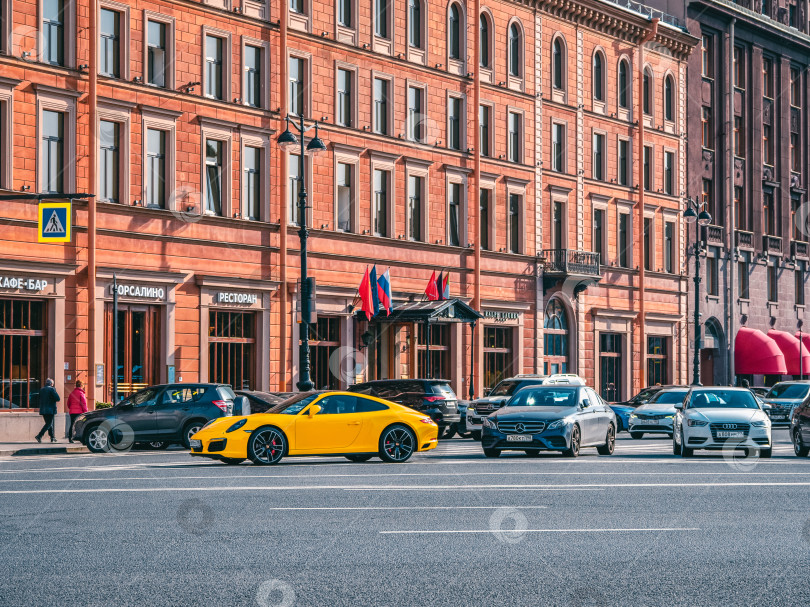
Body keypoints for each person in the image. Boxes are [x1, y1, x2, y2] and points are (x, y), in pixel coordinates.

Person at [35, 379, 60, 443]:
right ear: (51, 384)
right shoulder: (52, 389)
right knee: (48, 424)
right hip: (50, 409)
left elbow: (39, 398)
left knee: (49, 423)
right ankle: (39, 435)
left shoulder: (42, 389)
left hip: (43, 409)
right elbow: (58, 398)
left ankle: (52, 437)